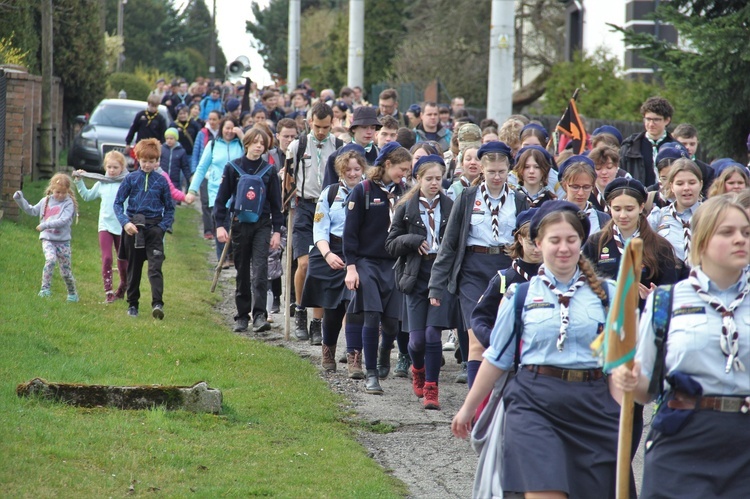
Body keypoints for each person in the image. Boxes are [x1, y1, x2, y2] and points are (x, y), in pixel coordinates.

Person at [452, 201, 624, 499]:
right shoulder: (520, 295)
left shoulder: (607, 295)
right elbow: (497, 358)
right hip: (534, 403)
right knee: (544, 489)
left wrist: (621, 414)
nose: (563, 248)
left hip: (593, 405)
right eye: (554, 240)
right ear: (538, 243)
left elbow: (617, 363)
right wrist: (468, 408)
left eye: (571, 240)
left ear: (581, 242)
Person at [612, 195, 750, 498]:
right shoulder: (668, 301)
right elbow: (646, 391)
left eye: (746, 232)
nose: (740, 239)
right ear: (701, 241)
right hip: (684, 435)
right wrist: (630, 379)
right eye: (727, 233)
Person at [429, 141, 528, 387]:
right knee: (477, 338)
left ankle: (502, 392)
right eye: (491, 171)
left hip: (507, 268)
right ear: (482, 169)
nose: (496, 177)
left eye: (502, 172)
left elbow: (527, 239)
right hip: (473, 268)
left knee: (504, 333)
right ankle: (476, 403)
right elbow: (450, 243)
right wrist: (436, 285)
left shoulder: (518, 199)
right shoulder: (467, 197)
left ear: (509, 171)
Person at [385, 154, 459, 409]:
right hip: (415, 275)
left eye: (438, 178)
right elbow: (391, 244)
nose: (434, 183)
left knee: (432, 336)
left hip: (440, 276)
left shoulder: (451, 206)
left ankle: (432, 389)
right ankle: (417, 367)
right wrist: (413, 241)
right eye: (429, 178)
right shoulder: (406, 208)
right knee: (416, 341)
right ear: (418, 179)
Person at [343, 142, 412, 395]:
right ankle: (371, 374)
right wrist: (351, 267)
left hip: (394, 264)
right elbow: (349, 233)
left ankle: (385, 350)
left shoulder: (405, 191)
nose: (404, 174)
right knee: (371, 315)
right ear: (387, 164)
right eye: (401, 168)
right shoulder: (363, 190)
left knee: (392, 324)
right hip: (366, 262)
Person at [300, 146, 365, 370]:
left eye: (357, 169)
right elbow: (320, 229)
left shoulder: (370, 192)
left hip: (358, 253)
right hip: (332, 251)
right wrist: (327, 254)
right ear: (340, 171)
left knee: (354, 303)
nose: (353, 173)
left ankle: (355, 357)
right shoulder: (329, 193)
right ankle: (328, 352)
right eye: (348, 170)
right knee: (333, 307)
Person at [213, 128, 283, 333]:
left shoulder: (269, 170)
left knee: (260, 270)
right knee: (242, 270)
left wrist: (277, 231)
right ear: (247, 144)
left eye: (263, 143)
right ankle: (242, 316)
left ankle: (259, 315)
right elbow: (221, 201)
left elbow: (276, 204)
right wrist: (220, 225)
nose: (259, 146)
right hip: (239, 224)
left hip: (262, 224)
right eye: (255, 142)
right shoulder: (232, 168)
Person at [284, 102, 342, 343]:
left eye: (326, 127)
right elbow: (288, 178)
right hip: (305, 207)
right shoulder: (298, 146)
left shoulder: (339, 146)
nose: (321, 131)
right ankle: (300, 310)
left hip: (329, 206)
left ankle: (317, 322)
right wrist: (287, 201)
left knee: (321, 267)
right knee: (305, 264)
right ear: (310, 122)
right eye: (317, 126)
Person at [583, 177, 678, 303]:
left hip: (643, 318)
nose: (623, 215)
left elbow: (670, 293)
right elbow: (584, 286)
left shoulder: (660, 246)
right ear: (609, 208)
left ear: (641, 207)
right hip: (606, 317)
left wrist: (656, 297)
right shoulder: (595, 243)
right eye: (617, 209)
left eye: (629, 209)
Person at [113, 138, 175, 319]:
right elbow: (117, 203)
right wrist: (125, 223)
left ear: (157, 161)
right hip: (134, 228)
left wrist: (162, 227)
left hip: (155, 229)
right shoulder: (130, 179)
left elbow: (170, 208)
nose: (147, 165)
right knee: (134, 267)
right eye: (144, 161)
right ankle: (133, 304)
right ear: (137, 159)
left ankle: (158, 304)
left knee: (155, 267)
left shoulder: (162, 181)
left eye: (151, 161)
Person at [73, 151, 129, 303]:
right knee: (107, 258)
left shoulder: (127, 183)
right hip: (105, 225)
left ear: (122, 167)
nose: (111, 170)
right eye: (109, 167)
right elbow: (87, 196)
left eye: (115, 167)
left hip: (122, 226)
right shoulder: (102, 183)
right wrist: (79, 181)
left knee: (123, 261)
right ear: (105, 167)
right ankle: (108, 292)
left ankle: (123, 286)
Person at [13, 173, 79, 302]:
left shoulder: (68, 203)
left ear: (68, 191)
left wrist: (45, 225)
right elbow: (31, 210)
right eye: (57, 192)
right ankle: (45, 289)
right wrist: (20, 200)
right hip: (48, 239)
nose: (60, 195)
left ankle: (72, 294)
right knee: (50, 260)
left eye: (63, 193)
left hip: (63, 242)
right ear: (52, 189)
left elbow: (63, 220)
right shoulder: (46, 201)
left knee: (66, 271)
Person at [186, 116, 244, 261]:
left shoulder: (241, 145)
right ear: (221, 129)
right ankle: (222, 258)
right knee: (221, 222)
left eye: (232, 128)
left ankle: (231, 254)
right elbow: (201, 168)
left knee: (236, 224)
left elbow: (253, 154)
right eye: (226, 128)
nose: (229, 131)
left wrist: (242, 136)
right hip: (216, 191)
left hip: (238, 192)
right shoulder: (213, 145)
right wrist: (192, 190)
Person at [648, 158, 703, 276]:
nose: (686, 188)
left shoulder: (712, 215)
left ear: (701, 184)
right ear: (671, 186)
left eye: (692, 182)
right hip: (668, 281)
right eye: (680, 183)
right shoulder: (659, 216)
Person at [620, 96, 675, 187]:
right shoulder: (629, 147)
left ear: (667, 120)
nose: (651, 124)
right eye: (648, 119)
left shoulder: (676, 148)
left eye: (656, 120)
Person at [558, 155, 611, 237]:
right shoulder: (553, 215)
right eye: (575, 187)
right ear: (565, 185)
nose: (581, 193)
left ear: (593, 186)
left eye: (586, 187)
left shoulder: (603, 219)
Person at [191, 109, 222, 241]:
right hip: (205, 173)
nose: (212, 122)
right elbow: (196, 152)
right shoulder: (202, 133)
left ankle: (217, 227)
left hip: (217, 173)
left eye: (215, 119)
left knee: (217, 202)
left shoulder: (223, 135)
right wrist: (194, 172)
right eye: (210, 119)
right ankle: (208, 229)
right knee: (205, 202)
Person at [587, 145, 625, 213]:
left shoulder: (626, 192)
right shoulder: (586, 195)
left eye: (609, 167)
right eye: (598, 168)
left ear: (616, 168)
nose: (604, 172)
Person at [160, 128, 190, 197]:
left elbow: (185, 167)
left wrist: (189, 178)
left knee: (172, 202)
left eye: (171, 138)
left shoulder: (181, 151)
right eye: (167, 138)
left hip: (174, 182)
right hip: (162, 180)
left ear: (176, 139)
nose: (169, 140)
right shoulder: (162, 149)